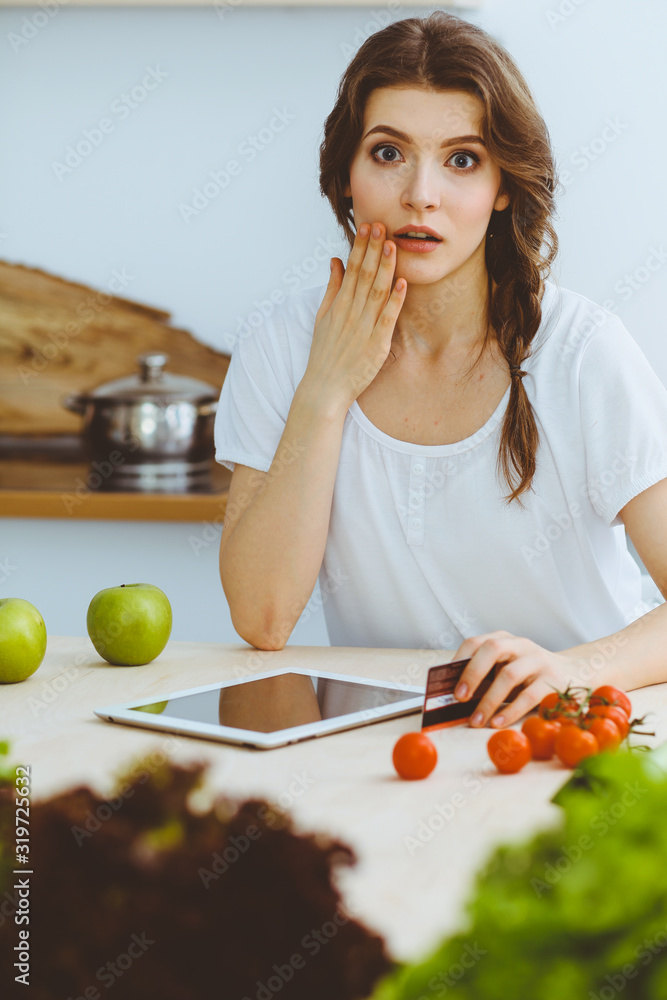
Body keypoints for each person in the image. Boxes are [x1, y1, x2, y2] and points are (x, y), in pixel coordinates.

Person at [214, 11, 667, 730]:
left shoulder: (582, 351)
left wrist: (571, 669)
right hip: (379, 758)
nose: (419, 194)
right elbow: (263, 616)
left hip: (570, 733)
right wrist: (327, 388)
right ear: (345, 177)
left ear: (503, 187)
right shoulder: (283, 345)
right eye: (387, 153)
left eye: (461, 159)